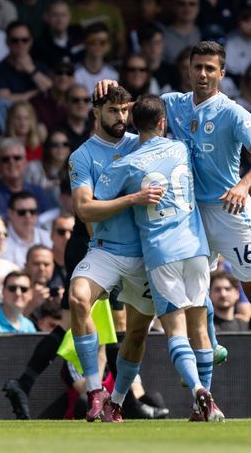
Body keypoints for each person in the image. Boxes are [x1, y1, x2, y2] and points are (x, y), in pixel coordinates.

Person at [98, 41, 251, 421]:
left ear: (222, 73)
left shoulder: (234, 113)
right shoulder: (174, 103)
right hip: (191, 215)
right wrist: (109, 85)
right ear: (188, 69)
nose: (202, 74)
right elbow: (136, 112)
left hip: (231, 212)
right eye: (197, 66)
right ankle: (204, 402)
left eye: (210, 68)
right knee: (197, 299)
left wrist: (244, 185)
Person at [2, 86, 154, 421]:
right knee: (100, 317)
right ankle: (119, 398)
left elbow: (163, 111)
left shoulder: (140, 143)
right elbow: (86, 213)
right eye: (113, 111)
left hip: (123, 244)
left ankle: (26, 381)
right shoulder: (83, 155)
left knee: (85, 322)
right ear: (96, 112)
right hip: (89, 243)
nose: (122, 118)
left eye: (125, 110)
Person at [93, 94, 225, 421]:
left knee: (174, 331)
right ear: (163, 123)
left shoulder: (127, 163)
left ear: (135, 126)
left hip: (159, 255)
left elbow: (96, 202)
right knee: (199, 330)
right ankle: (200, 403)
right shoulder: (182, 148)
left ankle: (199, 391)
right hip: (196, 248)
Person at [0, 137, 56, 217]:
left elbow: (48, 220)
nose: (12, 162)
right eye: (5, 159)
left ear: (25, 163)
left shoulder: (39, 192)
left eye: (17, 158)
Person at [0, 22, 52, 103]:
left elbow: (52, 91)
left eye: (25, 40)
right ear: (7, 42)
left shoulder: (41, 67)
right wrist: (37, 93)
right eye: (15, 40)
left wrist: (31, 69)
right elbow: (5, 100)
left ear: (31, 42)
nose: (20, 44)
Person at [3, 192, 52, 267]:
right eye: (22, 212)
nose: (28, 216)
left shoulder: (49, 238)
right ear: (10, 213)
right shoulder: (0, 240)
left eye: (32, 212)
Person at [32, 0, 84, 68]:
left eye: (63, 15)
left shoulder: (79, 33)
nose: (60, 20)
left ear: (69, 17)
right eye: (55, 15)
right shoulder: (39, 45)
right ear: (46, 17)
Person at [74, 23, 118, 96]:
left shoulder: (114, 75)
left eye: (102, 42)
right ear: (85, 43)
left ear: (108, 46)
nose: (97, 45)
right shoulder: (74, 74)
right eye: (92, 41)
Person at [30, 62, 74, 133]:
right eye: (59, 72)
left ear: (73, 78)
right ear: (51, 75)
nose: (64, 77)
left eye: (69, 73)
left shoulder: (77, 101)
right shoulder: (37, 101)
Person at [161, 0, 201, 65]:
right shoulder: (163, 36)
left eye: (192, 4)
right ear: (174, 7)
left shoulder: (204, 34)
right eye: (181, 4)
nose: (187, 8)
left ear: (198, 8)